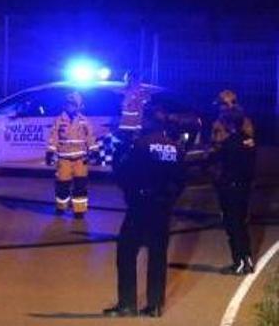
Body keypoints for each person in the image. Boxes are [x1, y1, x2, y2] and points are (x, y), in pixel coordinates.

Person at [104, 102, 187, 318]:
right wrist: (169, 200)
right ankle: (155, 305)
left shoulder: (140, 145)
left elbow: (125, 174)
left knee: (126, 252)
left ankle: (127, 304)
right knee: (158, 256)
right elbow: (181, 180)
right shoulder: (175, 147)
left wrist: (129, 193)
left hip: (140, 206)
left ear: (148, 121)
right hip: (162, 208)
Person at [209, 89, 257, 275]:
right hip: (243, 184)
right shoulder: (247, 137)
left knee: (232, 224)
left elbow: (215, 156)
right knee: (241, 223)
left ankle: (240, 262)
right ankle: (246, 260)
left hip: (230, 185)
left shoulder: (228, 143)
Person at [46, 92, 98, 218]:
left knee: (80, 185)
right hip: (64, 159)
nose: (70, 107)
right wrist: (50, 151)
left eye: (73, 104)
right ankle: (61, 207)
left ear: (79, 106)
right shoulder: (59, 120)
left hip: (81, 159)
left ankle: (79, 211)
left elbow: (90, 137)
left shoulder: (84, 121)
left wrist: (94, 151)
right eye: (68, 104)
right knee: (62, 184)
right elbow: (53, 137)